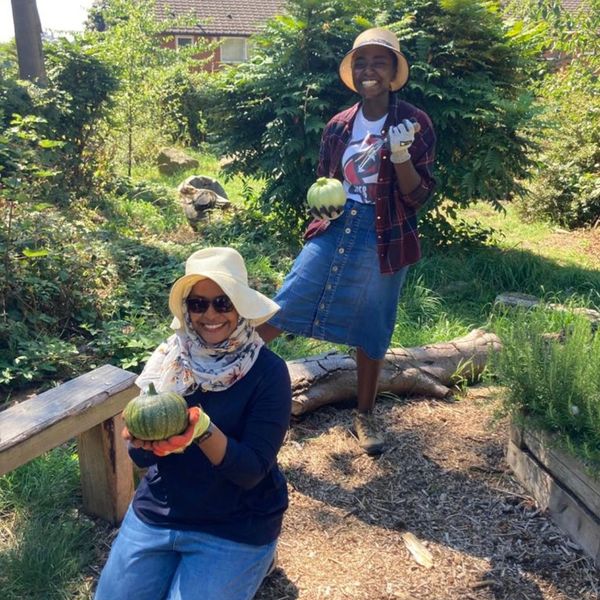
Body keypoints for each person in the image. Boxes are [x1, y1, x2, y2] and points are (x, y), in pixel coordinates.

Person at [257, 28, 436, 456]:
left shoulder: (415, 123)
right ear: (352, 72)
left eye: (379, 62)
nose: (368, 70)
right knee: (287, 301)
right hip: (338, 225)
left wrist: (400, 156)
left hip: (385, 231)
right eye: (361, 62)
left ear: (394, 71)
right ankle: (225, 379)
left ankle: (366, 414)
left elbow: (418, 196)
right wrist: (322, 207)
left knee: (372, 324)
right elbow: (325, 181)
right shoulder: (339, 125)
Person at [94, 247, 292, 600]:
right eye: (198, 304)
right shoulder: (169, 361)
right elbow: (141, 457)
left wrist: (201, 431)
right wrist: (140, 442)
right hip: (162, 509)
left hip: (237, 522)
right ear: (187, 310)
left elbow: (251, 472)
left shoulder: (268, 372)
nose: (210, 314)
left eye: (222, 302)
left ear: (240, 307)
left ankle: (259, 558)